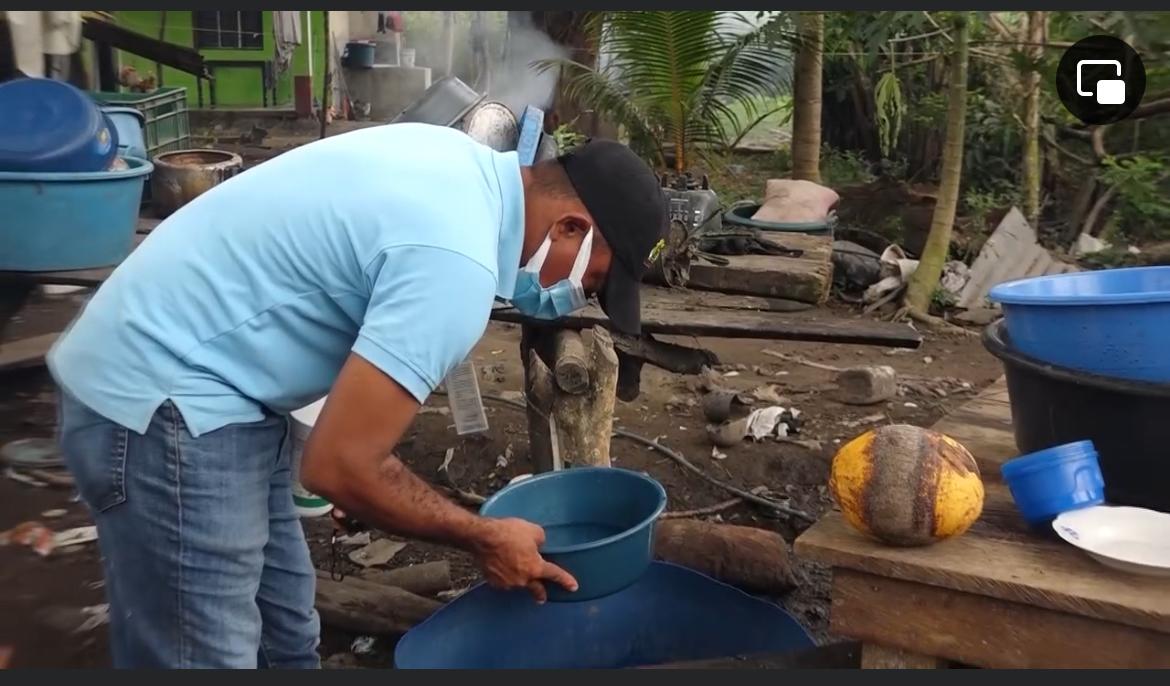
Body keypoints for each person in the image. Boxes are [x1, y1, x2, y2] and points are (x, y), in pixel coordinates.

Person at [48, 123, 667, 668]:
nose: (578, 298)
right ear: (570, 227)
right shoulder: (456, 263)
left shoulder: (459, 160)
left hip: (226, 384)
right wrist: (483, 535)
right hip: (165, 397)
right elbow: (340, 466)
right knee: (204, 653)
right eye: (593, 280)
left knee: (286, 636)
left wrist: (362, 474)